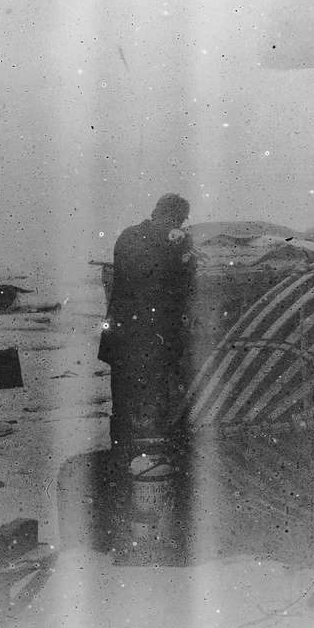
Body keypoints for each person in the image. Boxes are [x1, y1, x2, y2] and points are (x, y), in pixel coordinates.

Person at [101, 193, 197, 455]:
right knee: (152, 401)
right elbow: (178, 283)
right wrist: (184, 251)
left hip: (122, 334)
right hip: (151, 335)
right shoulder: (172, 243)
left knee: (122, 399)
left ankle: (120, 453)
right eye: (180, 220)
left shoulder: (127, 236)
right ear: (175, 218)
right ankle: (150, 458)